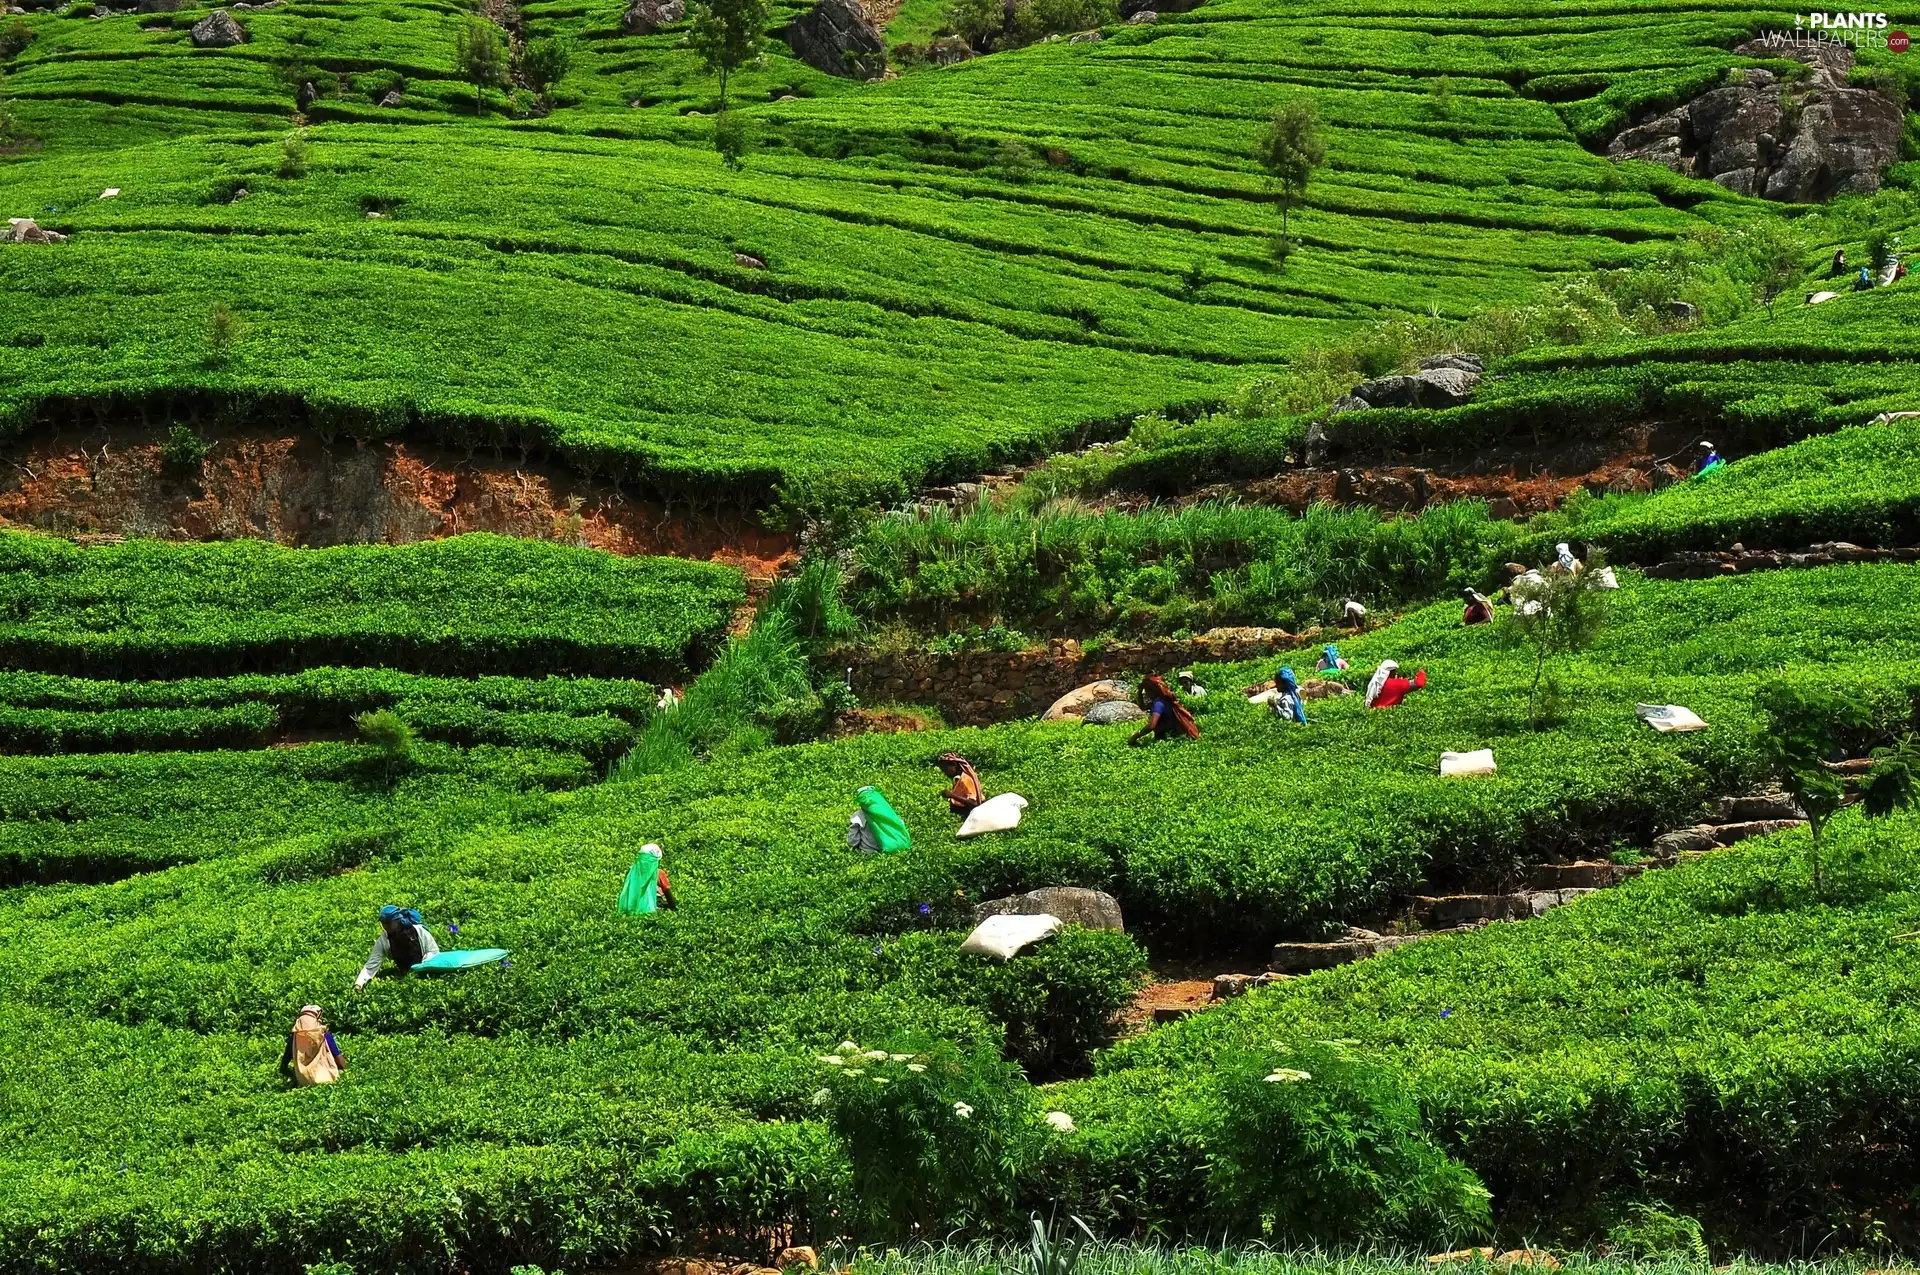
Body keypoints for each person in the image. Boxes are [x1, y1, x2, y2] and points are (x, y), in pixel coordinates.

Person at [355, 905, 439, 989]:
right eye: (383, 923)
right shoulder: (384, 940)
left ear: (397, 921)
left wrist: (422, 968)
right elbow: (371, 964)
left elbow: (433, 951)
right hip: (404, 974)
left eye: (388, 923)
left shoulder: (419, 931)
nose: (385, 926)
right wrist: (359, 984)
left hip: (426, 970)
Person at [281, 1005, 343, 1087]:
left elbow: (283, 1068)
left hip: (303, 1084)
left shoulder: (294, 1039)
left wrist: (296, 1077)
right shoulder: (324, 1035)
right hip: (328, 1083)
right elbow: (340, 1062)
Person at [1129, 673, 1199, 745]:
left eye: (1146, 690)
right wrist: (1139, 693)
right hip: (1171, 736)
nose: (1146, 693)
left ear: (1151, 691)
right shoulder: (1162, 699)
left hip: (1168, 738)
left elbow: (1151, 726)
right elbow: (1143, 707)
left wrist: (1136, 736)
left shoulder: (1159, 703)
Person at [848, 785, 912, 853]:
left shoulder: (858, 815)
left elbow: (853, 837)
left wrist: (853, 847)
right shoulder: (887, 811)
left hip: (869, 850)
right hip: (891, 846)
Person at [619, 842, 676, 914]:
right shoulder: (659, 873)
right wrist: (674, 906)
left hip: (632, 906)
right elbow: (669, 897)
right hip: (655, 906)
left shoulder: (632, 872)